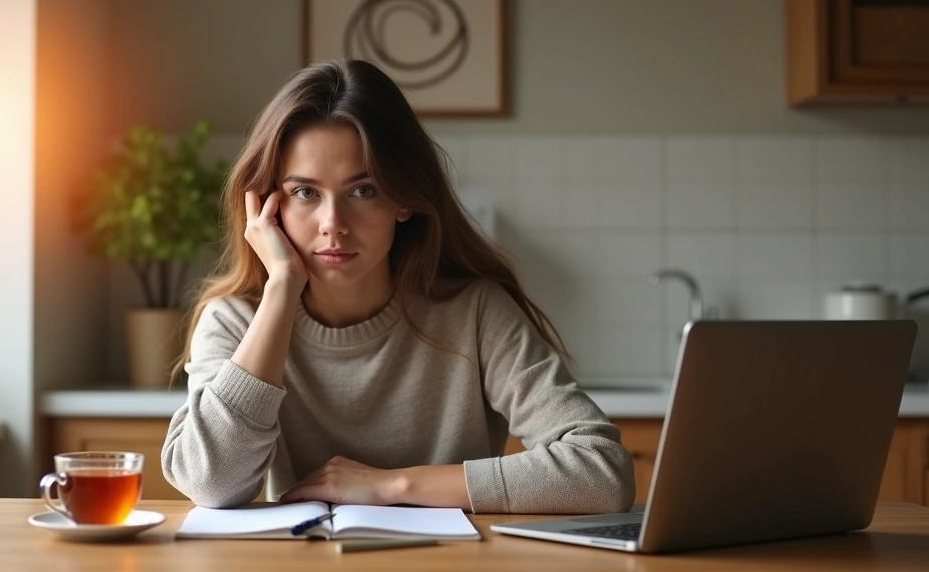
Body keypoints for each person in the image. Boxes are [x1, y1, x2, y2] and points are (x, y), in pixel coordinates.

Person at [160, 58, 634, 514]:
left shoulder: (475, 313)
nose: (333, 224)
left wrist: (392, 486)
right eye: (305, 192)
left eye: (363, 191)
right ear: (268, 206)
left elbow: (602, 472)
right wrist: (281, 288)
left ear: (403, 199)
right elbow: (211, 484)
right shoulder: (234, 320)